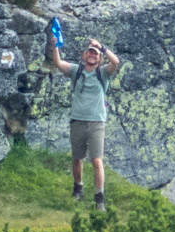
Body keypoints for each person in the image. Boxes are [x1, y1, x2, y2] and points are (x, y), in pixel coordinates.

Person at [48, 33, 121, 211]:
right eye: (90, 52)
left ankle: (99, 198)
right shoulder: (76, 70)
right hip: (77, 121)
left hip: (96, 122)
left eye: (96, 53)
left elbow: (116, 62)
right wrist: (55, 45)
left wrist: (102, 46)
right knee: (77, 159)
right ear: (84, 55)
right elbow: (58, 63)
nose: (92, 55)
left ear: (100, 58)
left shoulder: (103, 72)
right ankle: (78, 188)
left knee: (97, 161)